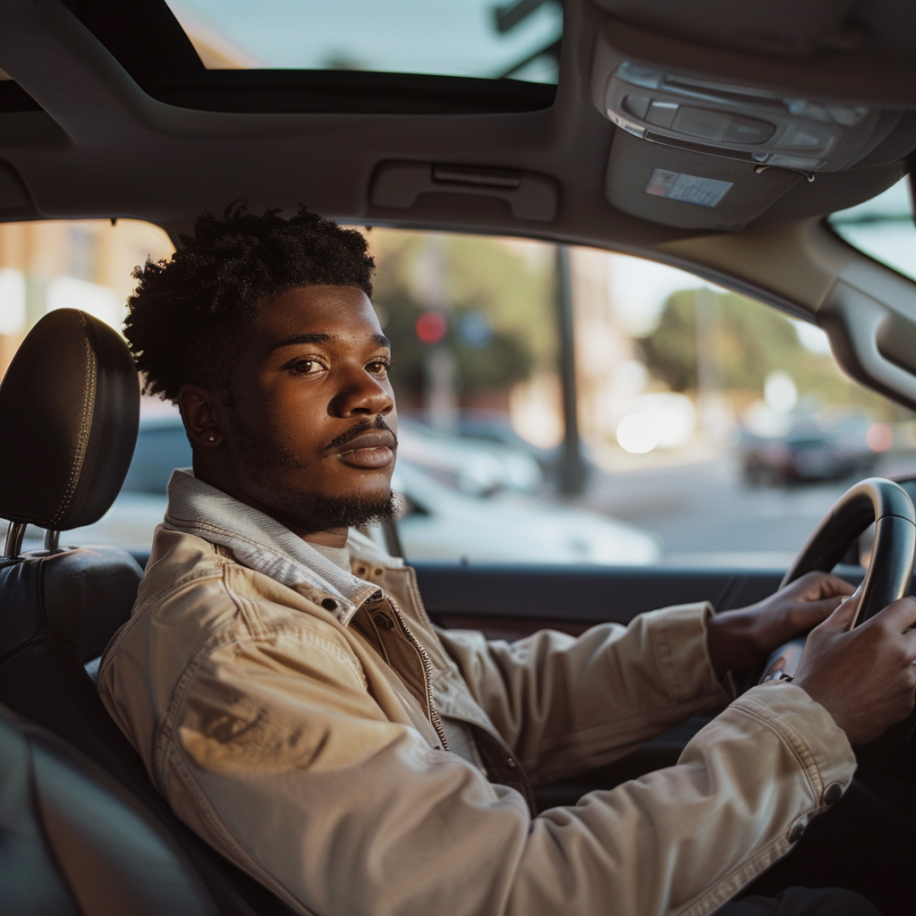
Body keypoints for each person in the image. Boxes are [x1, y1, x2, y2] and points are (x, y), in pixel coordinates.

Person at [99, 205, 916, 916]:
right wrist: (816, 717)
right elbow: (515, 895)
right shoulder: (239, 652)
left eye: (375, 362)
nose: (372, 394)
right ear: (207, 417)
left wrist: (726, 641)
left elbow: (493, 701)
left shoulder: (305, 581)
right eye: (309, 364)